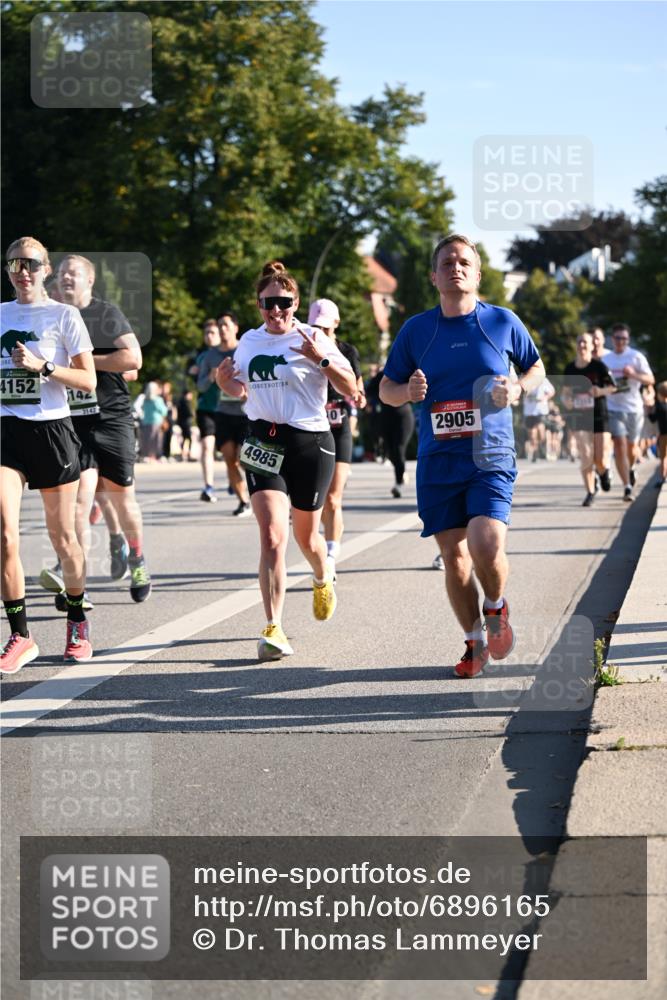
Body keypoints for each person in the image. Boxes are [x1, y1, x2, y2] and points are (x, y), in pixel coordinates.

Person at [379, 234, 545, 678]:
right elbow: (385, 388)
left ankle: (495, 606)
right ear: (434, 276)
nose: (456, 267)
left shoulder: (502, 321)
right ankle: (474, 641)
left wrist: (517, 387)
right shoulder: (417, 329)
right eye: (447, 262)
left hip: (489, 453)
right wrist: (405, 391)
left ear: (477, 273)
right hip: (438, 459)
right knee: (454, 558)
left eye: (464, 262)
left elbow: (535, 366)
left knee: (485, 544)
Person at [215, 261, 356, 662]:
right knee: (273, 537)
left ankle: (322, 574)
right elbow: (241, 389)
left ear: (296, 302)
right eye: (268, 303)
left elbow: (350, 389)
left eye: (284, 303)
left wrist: (321, 360)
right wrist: (226, 384)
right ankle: (273, 626)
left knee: (306, 539)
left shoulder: (314, 337)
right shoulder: (249, 342)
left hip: (309, 442)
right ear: (258, 304)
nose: (276, 311)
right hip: (262, 440)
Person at [1, 237, 96, 672]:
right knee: (5, 534)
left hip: (52, 432)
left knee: (64, 539)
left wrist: (43, 367)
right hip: (7, 432)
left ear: (46, 269)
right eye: (15, 263)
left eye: (31, 264)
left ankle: (77, 621)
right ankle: (21, 636)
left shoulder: (65, 315)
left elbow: (88, 380)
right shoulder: (0, 315)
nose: (23, 271)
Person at [55, 254, 152, 602]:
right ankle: (75, 581)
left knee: (123, 499)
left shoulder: (104, 314)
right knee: (78, 503)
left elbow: (133, 359)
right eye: (62, 272)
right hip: (71, 422)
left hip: (111, 418)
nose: (66, 277)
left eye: (74, 273)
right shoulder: (52, 316)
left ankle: (137, 557)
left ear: (89, 281)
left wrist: (83, 362)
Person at [307, 298, 366, 579]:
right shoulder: (303, 345)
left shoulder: (347, 350)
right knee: (312, 500)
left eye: (325, 328)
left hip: (339, 425)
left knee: (333, 497)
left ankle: (330, 556)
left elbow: (358, 385)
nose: (319, 332)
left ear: (336, 325)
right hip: (311, 428)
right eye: (314, 326)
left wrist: (359, 395)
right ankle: (318, 547)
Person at [196, 312, 251, 516]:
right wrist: (211, 377)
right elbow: (200, 387)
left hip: (246, 413)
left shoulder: (245, 350)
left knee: (246, 460)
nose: (222, 329)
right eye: (219, 325)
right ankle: (243, 501)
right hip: (223, 413)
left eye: (226, 325)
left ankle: (260, 490)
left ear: (236, 327)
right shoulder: (210, 356)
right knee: (229, 458)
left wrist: (249, 393)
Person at [562, 332, 616, 507]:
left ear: (592, 346)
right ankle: (590, 492)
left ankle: (603, 472)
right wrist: (567, 401)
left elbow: (613, 387)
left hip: (599, 415)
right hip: (580, 417)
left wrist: (599, 391)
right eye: (579, 342)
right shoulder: (570, 369)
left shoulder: (599, 366)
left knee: (599, 458)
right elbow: (565, 393)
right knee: (586, 456)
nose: (582, 345)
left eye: (585, 342)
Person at [605, 323, 654, 501]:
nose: (621, 342)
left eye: (624, 338)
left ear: (628, 339)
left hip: (634, 408)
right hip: (613, 408)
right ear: (612, 339)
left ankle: (631, 468)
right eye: (618, 338)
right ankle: (626, 486)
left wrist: (633, 374)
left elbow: (650, 379)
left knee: (632, 449)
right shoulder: (606, 360)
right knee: (619, 444)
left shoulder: (636, 357)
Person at [194, 319, 222, 501]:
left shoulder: (233, 353)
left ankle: (235, 481)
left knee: (234, 455)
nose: (209, 336)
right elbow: (200, 387)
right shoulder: (202, 358)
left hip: (230, 409)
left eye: (213, 333)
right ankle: (208, 486)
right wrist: (211, 377)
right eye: (207, 333)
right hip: (206, 408)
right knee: (207, 447)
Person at [589, 326, 614, 491]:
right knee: (591, 451)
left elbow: (619, 386)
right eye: (592, 339)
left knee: (605, 450)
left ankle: (604, 470)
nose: (595, 342)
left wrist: (601, 391)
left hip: (615, 407)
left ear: (603, 339)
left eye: (598, 338)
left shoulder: (611, 358)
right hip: (592, 410)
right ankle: (598, 476)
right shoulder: (583, 359)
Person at [521, 378, 554, 461]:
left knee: (541, 433)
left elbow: (552, 391)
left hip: (540, 411)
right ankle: (535, 451)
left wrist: (544, 397)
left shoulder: (543, 380)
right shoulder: (524, 379)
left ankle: (540, 445)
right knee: (532, 434)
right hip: (529, 412)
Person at [138, 381, 168, 461]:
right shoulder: (157, 400)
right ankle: (154, 456)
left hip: (146, 422)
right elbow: (164, 411)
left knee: (147, 440)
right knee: (156, 440)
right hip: (156, 422)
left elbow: (142, 409)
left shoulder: (145, 400)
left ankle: (147, 456)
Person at [649, 381, 667, 487]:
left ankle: (663, 477)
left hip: (664, 435)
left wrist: (648, 411)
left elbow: (653, 419)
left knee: (663, 458)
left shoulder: (659, 406)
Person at [176, 388, 194, 461]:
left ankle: (182, 453)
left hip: (181, 422)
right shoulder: (186, 402)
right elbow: (189, 413)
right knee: (189, 438)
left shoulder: (180, 402)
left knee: (184, 438)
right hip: (186, 423)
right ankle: (188, 453)